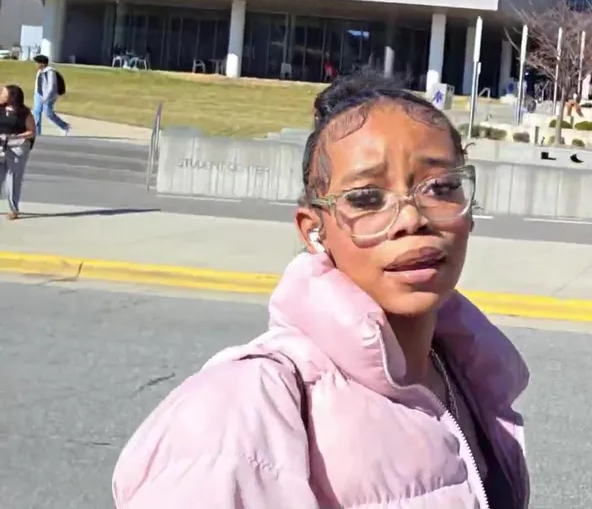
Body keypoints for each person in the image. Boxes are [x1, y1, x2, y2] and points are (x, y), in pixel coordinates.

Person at [112, 71, 531, 508]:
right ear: (314, 230)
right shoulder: (242, 409)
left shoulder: (467, 376)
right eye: (366, 198)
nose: (412, 219)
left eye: (441, 188)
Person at [0, 84, 36, 221]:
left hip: (17, 146)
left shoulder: (24, 112)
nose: (0, 95)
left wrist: (15, 137)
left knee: (13, 177)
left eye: (3, 93)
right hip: (1, 144)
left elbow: (32, 132)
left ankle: (13, 209)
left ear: (11, 97)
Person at [31, 54, 70, 135]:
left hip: (48, 96)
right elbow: (37, 84)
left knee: (49, 113)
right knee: (36, 112)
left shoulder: (50, 72)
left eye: (37, 62)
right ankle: (37, 133)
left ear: (42, 63)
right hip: (39, 94)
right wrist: (36, 94)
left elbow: (52, 86)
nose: (36, 64)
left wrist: (46, 98)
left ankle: (65, 126)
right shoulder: (39, 72)